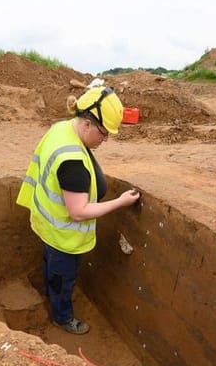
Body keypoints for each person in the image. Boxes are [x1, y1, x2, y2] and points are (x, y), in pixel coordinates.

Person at [16, 86, 141, 335]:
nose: (104, 140)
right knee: (64, 280)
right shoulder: (72, 162)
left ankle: (51, 294)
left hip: (47, 224)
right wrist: (120, 202)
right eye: (103, 134)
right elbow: (79, 212)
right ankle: (62, 317)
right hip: (64, 237)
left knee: (51, 269)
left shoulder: (62, 128)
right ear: (86, 123)